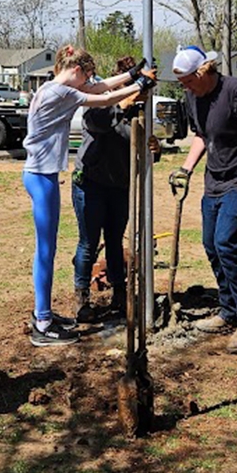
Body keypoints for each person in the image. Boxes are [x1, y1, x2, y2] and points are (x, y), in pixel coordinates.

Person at [24, 45, 156, 347]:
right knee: (45, 251)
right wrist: (139, 85)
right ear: (77, 71)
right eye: (87, 76)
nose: (89, 81)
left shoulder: (52, 86)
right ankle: (42, 323)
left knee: (48, 249)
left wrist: (132, 74)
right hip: (41, 178)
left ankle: (43, 314)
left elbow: (98, 87)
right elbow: (104, 98)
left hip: (41, 176)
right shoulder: (62, 93)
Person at [169, 45, 237, 355]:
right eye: (182, 83)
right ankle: (229, 310)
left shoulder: (235, 90)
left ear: (204, 72)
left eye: (188, 81)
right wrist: (186, 168)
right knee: (211, 245)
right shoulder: (193, 96)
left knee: (227, 243)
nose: (185, 88)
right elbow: (202, 135)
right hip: (213, 181)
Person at [71, 56, 160, 323]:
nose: (139, 96)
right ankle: (82, 299)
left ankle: (120, 295)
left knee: (114, 241)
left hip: (119, 186)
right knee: (88, 243)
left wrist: (154, 149)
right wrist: (123, 102)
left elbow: (144, 151)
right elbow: (96, 123)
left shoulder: (139, 114)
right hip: (90, 183)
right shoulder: (101, 103)